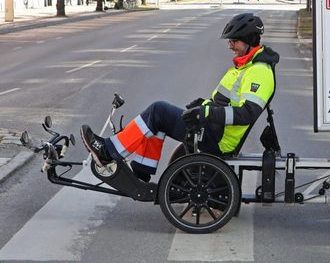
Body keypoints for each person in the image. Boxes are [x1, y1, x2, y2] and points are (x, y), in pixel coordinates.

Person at [80, 12, 279, 181]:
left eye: (234, 41)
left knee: (158, 110)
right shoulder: (244, 66)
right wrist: (203, 105)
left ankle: (107, 151)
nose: (230, 46)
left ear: (250, 41)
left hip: (219, 139)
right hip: (212, 130)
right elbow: (224, 102)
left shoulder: (259, 72)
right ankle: (142, 170)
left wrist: (206, 113)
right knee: (156, 122)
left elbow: (247, 114)